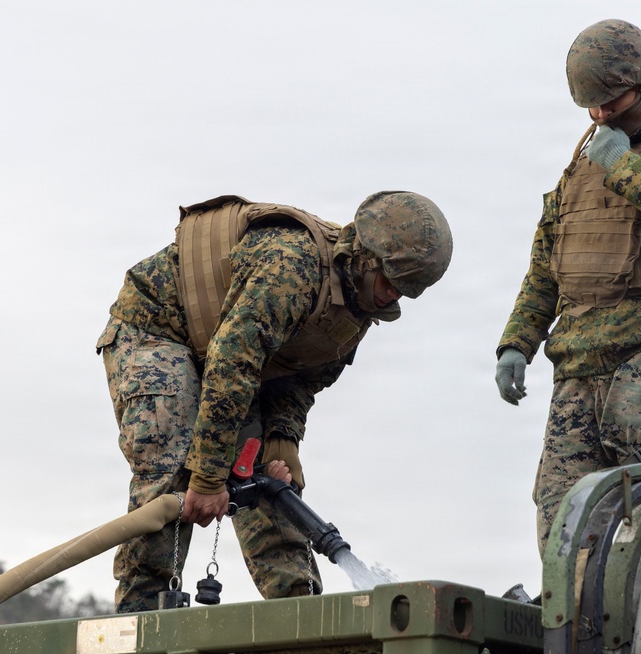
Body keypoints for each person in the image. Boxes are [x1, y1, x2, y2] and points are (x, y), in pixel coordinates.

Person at [97, 191, 452, 612]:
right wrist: (209, 479)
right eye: (389, 282)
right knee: (174, 464)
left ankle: (299, 618)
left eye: (404, 291)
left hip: (228, 357)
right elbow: (232, 363)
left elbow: (298, 379)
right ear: (365, 257)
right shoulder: (292, 267)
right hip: (158, 329)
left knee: (270, 485)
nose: (392, 296)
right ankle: (139, 618)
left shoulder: (356, 309)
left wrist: (282, 437)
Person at [494, 19, 641, 556]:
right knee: (562, 518)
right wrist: (517, 342)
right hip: (576, 367)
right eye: (591, 106)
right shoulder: (580, 165)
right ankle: (569, 633)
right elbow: (546, 263)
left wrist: (623, 164)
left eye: (611, 101)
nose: (600, 115)